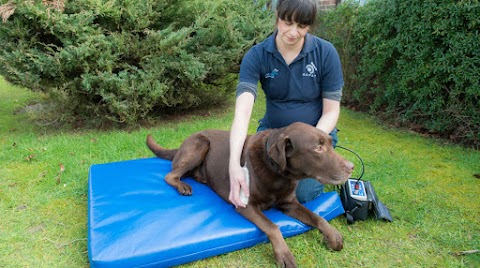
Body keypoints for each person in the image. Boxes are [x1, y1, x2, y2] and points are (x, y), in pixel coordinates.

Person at [229, 0, 344, 208]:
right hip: (272, 135)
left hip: (315, 138)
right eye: (287, 22)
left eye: (302, 26)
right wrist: (233, 163)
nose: (293, 32)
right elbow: (243, 114)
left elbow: (331, 111)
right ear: (277, 16)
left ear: (309, 26)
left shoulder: (326, 53)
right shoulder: (257, 55)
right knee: (252, 182)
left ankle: (329, 160)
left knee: (302, 194)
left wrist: (314, 145)